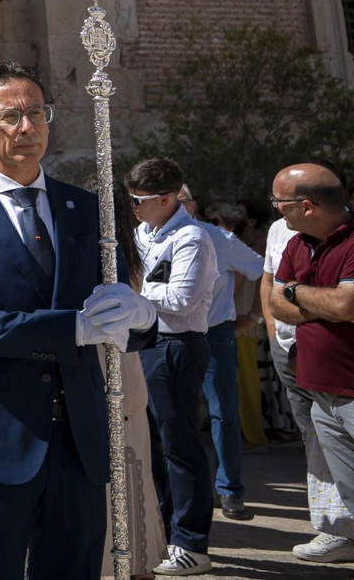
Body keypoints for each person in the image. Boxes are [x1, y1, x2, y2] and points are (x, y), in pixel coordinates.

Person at [0, 61, 157, 580]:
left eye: (37, 113)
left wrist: (141, 316)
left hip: (82, 438)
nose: (27, 128)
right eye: (11, 116)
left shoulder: (86, 208)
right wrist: (72, 327)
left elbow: (114, 313)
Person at [127, 157, 218, 576]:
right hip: (146, 343)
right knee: (156, 446)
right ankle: (166, 532)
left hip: (177, 345)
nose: (133, 207)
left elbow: (181, 301)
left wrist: (135, 293)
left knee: (181, 446)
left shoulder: (192, 238)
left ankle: (192, 543)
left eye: (139, 200)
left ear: (166, 199)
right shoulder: (143, 232)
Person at [261, 172, 354, 563]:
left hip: (351, 386)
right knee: (347, 485)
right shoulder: (296, 243)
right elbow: (276, 302)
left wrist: (298, 291)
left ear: (307, 207)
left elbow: (346, 306)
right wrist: (318, 302)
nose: (275, 209)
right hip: (319, 387)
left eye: (278, 202)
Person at [100, 184, 168, 578]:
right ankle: (135, 563)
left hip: (114, 361)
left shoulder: (119, 257)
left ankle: (134, 562)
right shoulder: (130, 251)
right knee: (129, 462)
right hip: (125, 361)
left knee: (127, 463)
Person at [195, 200, 265, 520]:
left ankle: (229, 490)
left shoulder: (220, 240)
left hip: (215, 335)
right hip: (164, 338)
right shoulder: (144, 235)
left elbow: (264, 269)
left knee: (223, 414)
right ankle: (190, 489)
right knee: (172, 417)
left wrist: (255, 315)